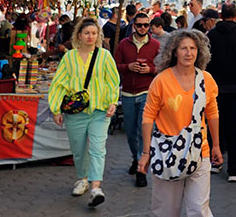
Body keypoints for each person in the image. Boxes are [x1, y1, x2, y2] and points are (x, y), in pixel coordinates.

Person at [138, 30, 221, 217]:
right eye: (183, 48)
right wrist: (145, 152)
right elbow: (148, 116)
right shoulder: (161, 81)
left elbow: (212, 113)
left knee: (199, 209)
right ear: (174, 52)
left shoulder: (206, 80)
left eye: (193, 48)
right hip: (167, 152)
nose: (188, 53)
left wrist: (216, 145)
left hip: (201, 151)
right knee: (167, 210)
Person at [48, 17, 120, 207]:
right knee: (78, 149)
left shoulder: (104, 56)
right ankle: (83, 179)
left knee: (98, 149)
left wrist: (113, 101)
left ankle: (96, 187)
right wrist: (56, 108)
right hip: (75, 112)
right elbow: (59, 84)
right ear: (79, 35)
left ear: (98, 36)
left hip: (100, 110)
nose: (90, 36)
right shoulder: (69, 57)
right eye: (87, 33)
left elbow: (112, 81)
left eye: (94, 33)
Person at [206, 2, 236, 182]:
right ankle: (234, 169)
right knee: (234, 130)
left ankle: (215, 162)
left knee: (215, 127)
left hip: (215, 89)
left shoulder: (211, 36)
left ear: (221, 15)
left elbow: (207, 62)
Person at [113, 13, 160, 187]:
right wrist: (128, 67)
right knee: (131, 132)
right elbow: (115, 65)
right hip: (127, 94)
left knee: (143, 130)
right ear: (133, 25)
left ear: (149, 26)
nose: (143, 28)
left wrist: (149, 69)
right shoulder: (124, 44)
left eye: (146, 25)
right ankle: (136, 157)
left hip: (146, 92)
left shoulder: (155, 45)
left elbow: (162, 67)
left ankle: (142, 167)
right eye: (139, 25)